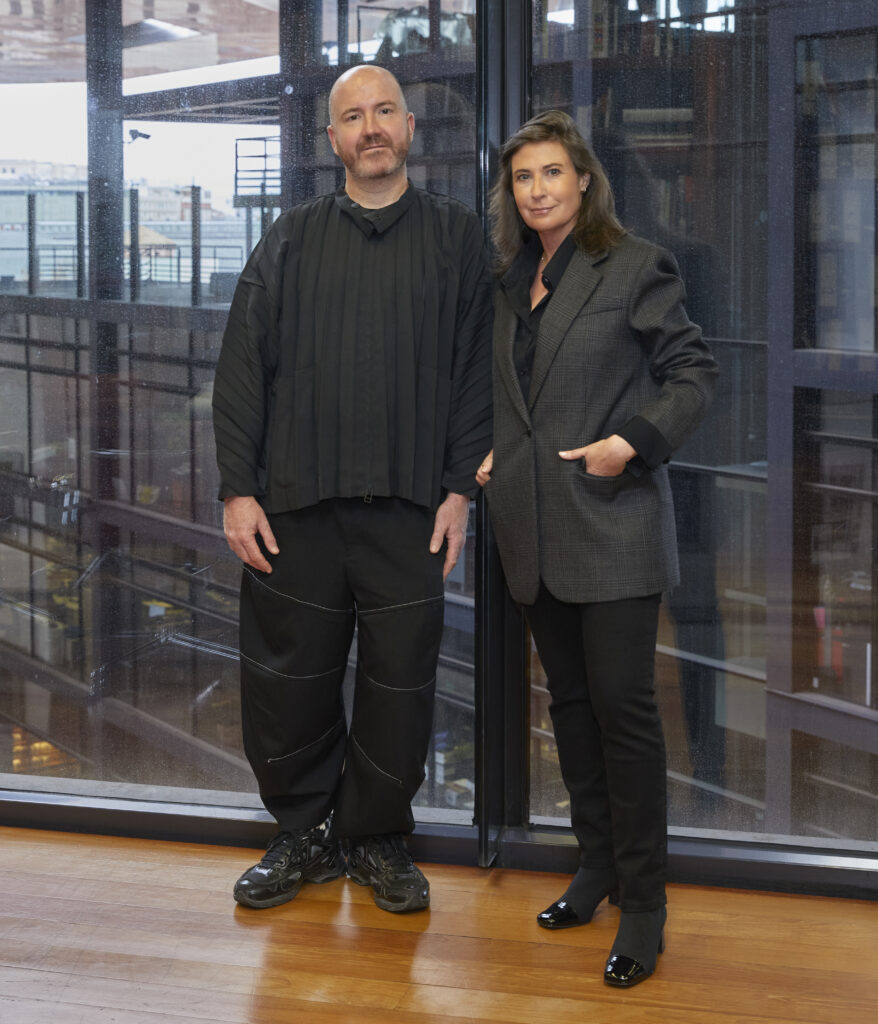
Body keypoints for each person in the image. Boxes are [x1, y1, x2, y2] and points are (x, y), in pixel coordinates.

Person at [212, 65, 492, 915]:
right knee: (286, 683)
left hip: (413, 509)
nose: (369, 129)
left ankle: (376, 840)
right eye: (351, 118)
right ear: (330, 140)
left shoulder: (458, 240)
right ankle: (301, 835)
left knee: (400, 686)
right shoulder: (288, 237)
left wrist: (458, 490)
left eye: (383, 113)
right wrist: (237, 490)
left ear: (409, 129)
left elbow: (478, 371)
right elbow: (240, 371)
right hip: (293, 506)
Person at [476, 110, 718, 986]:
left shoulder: (633, 265)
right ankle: (596, 867)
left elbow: (695, 373)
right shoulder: (511, 280)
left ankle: (645, 907)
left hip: (611, 522)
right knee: (570, 712)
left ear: (583, 180)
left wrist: (636, 442)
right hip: (532, 530)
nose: (537, 190)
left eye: (551, 174)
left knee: (624, 714)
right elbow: (516, 395)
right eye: (523, 178)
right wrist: (495, 451)